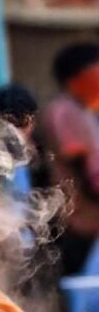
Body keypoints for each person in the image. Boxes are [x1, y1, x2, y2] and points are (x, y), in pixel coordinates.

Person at [40, 43, 99, 276]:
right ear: (76, 79)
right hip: (78, 222)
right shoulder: (65, 112)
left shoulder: (85, 111)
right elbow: (86, 169)